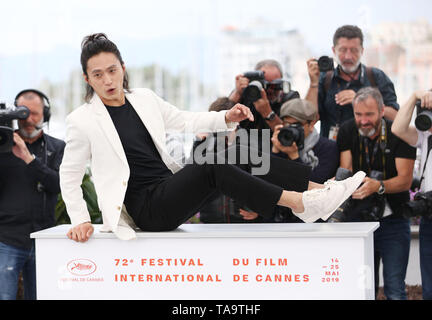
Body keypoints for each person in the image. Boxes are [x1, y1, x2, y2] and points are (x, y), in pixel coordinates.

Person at [60, 33, 366, 243]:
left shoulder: (144, 98)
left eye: (112, 70)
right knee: (212, 165)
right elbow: (70, 175)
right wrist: (80, 219)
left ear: (123, 68)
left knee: (244, 149)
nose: (107, 80)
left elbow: (184, 120)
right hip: (147, 209)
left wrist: (226, 117)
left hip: (169, 189)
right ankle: (299, 203)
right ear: (87, 78)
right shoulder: (82, 121)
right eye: (97, 74)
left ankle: (319, 192)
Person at [336, 87, 416, 300]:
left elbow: (405, 180)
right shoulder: (346, 130)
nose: (363, 121)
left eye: (369, 114)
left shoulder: (399, 133)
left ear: (382, 111)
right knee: (362, 290)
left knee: (395, 289)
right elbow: (346, 172)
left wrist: (377, 186)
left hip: (394, 220)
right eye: (358, 114)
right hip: (358, 220)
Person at [0, 89, 65, 300]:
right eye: (23, 113)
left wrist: (30, 160)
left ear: (45, 115)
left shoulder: (57, 148)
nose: (29, 119)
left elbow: (59, 184)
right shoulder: (2, 146)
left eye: (35, 113)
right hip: (7, 240)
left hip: (43, 239)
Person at [305, 25, 399, 140]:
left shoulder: (377, 77)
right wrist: (313, 84)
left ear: (362, 51)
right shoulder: (325, 79)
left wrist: (359, 99)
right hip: (333, 151)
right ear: (334, 51)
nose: (348, 56)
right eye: (343, 50)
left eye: (354, 50)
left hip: (369, 150)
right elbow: (307, 118)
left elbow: (395, 117)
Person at [392, 89, 432, 300]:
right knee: (430, 287)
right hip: (429, 214)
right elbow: (397, 128)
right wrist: (415, 96)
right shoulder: (426, 136)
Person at [271, 98, 339, 184]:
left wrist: (294, 156)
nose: (291, 128)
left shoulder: (328, 147)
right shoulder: (283, 141)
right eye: (287, 124)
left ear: (311, 124)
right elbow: (270, 178)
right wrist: (275, 150)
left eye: (297, 125)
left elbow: (316, 183)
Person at [228, 59, 299, 132]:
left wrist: (268, 113)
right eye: (265, 85)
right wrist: (237, 93)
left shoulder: (290, 98)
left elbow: (290, 135)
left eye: (275, 86)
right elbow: (222, 121)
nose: (270, 90)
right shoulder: (246, 94)